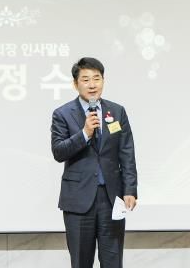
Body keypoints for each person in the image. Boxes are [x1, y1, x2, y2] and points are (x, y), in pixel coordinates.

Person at [51, 57, 137, 268]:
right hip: (79, 200)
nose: (92, 85)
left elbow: (127, 152)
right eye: (86, 79)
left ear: (103, 81)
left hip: (111, 199)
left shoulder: (116, 111)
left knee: (113, 260)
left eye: (96, 79)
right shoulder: (62, 114)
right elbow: (59, 152)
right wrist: (84, 133)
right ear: (75, 84)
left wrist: (130, 189)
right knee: (81, 261)